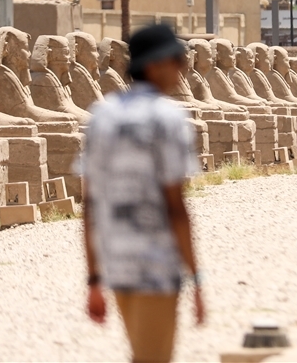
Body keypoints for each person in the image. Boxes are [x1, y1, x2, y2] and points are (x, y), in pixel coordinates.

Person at [83, 23, 205, 362]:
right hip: (154, 262)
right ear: (154, 65)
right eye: (177, 60)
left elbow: (90, 204)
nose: (183, 69)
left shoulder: (101, 115)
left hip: (116, 261)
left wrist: (93, 276)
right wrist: (196, 276)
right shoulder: (167, 118)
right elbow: (176, 206)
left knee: (143, 352)